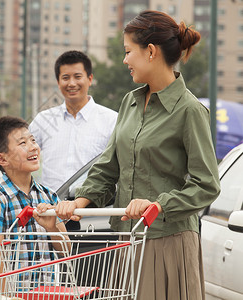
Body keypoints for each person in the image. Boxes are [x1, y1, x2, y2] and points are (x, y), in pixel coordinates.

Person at [55, 10, 220, 300]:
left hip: (167, 242)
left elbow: (206, 184)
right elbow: (108, 166)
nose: (125, 60)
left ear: (151, 52)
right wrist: (78, 203)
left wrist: (158, 204)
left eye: (128, 51)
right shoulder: (129, 102)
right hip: (126, 240)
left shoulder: (190, 110)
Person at [0, 50, 118, 191]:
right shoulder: (45, 120)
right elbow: (17, 148)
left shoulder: (111, 121)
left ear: (90, 79)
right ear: (58, 82)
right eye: (65, 78)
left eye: (77, 77)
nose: (71, 83)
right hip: (49, 210)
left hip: (94, 212)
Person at [0, 116, 67, 286]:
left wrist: (51, 227)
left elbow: (66, 251)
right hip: (13, 295)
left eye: (32, 140)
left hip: (46, 294)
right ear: (2, 159)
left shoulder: (48, 196)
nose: (33, 147)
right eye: (22, 143)